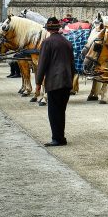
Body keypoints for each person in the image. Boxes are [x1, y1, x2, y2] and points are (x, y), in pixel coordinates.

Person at [35, 17, 75, 147]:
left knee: (53, 112)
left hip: (54, 82)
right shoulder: (67, 42)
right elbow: (72, 65)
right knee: (61, 111)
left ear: (48, 29)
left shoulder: (47, 42)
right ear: (58, 28)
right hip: (66, 82)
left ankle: (57, 138)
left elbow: (42, 64)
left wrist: (38, 83)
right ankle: (60, 137)